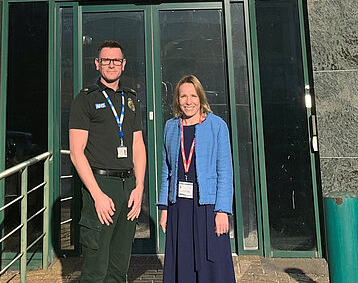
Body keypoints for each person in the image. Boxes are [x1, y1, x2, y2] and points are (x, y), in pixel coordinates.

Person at [69, 40, 147, 283]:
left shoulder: (131, 99)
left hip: (128, 187)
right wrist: (97, 194)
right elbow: (76, 152)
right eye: (106, 60)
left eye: (116, 60)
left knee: (119, 266)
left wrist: (139, 187)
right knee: (96, 269)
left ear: (123, 65)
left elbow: (137, 145)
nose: (111, 65)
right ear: (97, 64)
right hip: (101, 186)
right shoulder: (85, 99)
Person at [157, 75, 236, 283]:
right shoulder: (171, 127)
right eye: (183, 96)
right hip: (179, 207)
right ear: (177, 99)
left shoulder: (217, 125)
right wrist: (164, 208)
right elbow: (167, 170)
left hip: (207, 206)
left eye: (193, 95)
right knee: (182, 262)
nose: (188, 101)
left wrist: (222, 211)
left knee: (213, 263)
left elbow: (225, 171)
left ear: (201, 98)